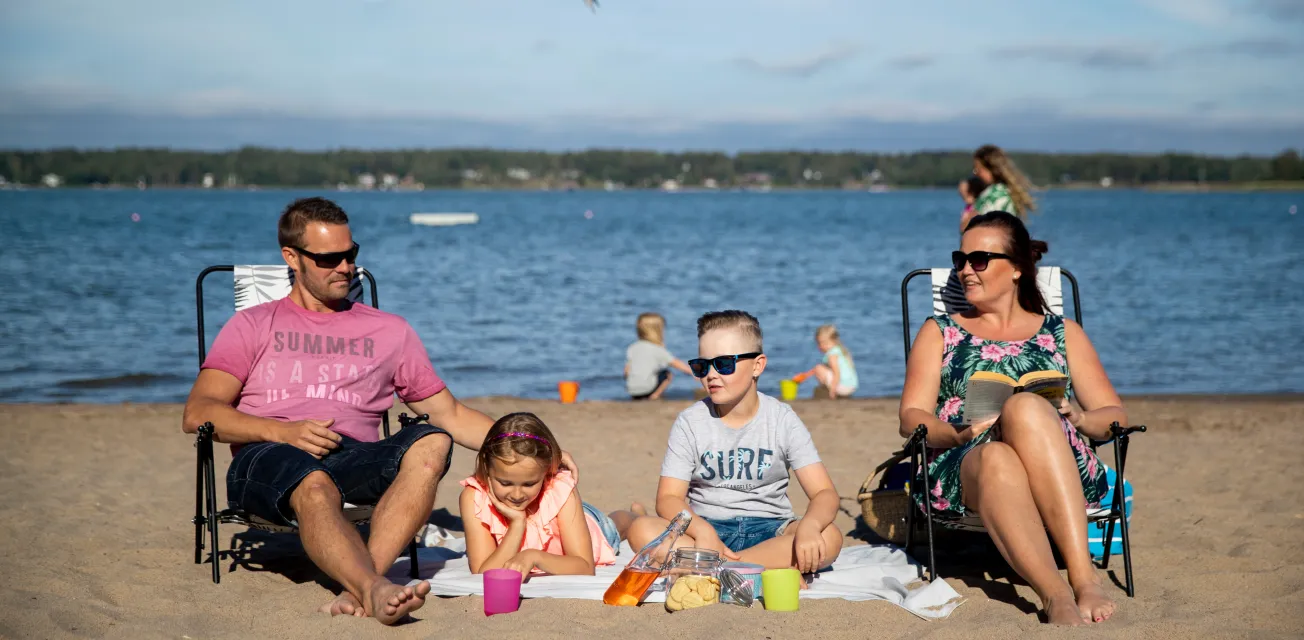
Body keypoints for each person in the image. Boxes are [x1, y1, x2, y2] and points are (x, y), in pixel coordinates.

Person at [181, 197, 576, 624]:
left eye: (351, 254)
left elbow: (450, 415)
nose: (345, 268)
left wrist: (543, 449)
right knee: (312, 483)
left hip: (354, 458)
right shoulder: (253, 325)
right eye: (328, 258)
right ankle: (372, 586)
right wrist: (284, 432)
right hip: (269, 457)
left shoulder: (389, 331)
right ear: (291, 257)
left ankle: (362, 585)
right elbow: (199, 413)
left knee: (432, 442)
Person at [898, 211, 1123, 626]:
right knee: (997, 456)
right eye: (960, 259)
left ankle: (1082, 577)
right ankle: (1055, 594)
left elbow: (1113, 417)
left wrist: (1077, 415)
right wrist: (955, 432)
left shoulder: (1062, 332)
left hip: (1060, 464)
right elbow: (911, 416)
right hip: (966, 460)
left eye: (979, 259)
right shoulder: (940, 331)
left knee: (1023, 407)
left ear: (1017, 267)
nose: (966, 269)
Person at [625, 310, 843, 574]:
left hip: (771, 531)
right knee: (641, 530)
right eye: (702, 366)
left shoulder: (782, 419)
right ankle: (751, 567)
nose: (711, 375)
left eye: (724, 364)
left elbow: (824, 493)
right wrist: (703, 531)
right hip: (704, 531)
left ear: (757, 365)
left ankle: (721, 567)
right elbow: (669, 498)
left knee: (829, 536)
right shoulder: (691, 422)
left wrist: (809, 525)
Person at [460, 412, 643, 575]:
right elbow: (482, 572)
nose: (517, 495)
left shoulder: (559, 489)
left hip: (584, 522)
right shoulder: (474, 498)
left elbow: (585, 567)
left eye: (529, 483)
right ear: (486, 468)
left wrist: (534, 557)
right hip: (556, 517)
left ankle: (636, 515)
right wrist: (517, 523)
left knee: (614, 525)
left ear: (546, 473)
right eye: (505, 483)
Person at [625, 312, 694, 400]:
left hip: (632, 390)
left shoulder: (633, 347)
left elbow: (626, 371)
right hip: (648, 389)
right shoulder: (657, 349)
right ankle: (655, 396)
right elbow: (676, 363)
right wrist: (693, 372)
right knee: (667, 374)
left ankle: (637, 393)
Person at [971, 144, 1037, 218]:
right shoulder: (1009, 193)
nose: (975, 173)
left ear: (991, 169)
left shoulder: (992, 196)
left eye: (977, 169)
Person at [796, 324, 858, 399]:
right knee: (818, 368)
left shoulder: (832, 355)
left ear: (834, 341)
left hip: (844, 387)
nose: (821, 346)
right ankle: (830, 389)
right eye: (819, 343)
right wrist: (805, 375)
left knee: (819, 368)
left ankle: (827, 390)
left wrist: (832, 391)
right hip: (851, 386)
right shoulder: (838, 350)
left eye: (824, 343)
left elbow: (837, 373)